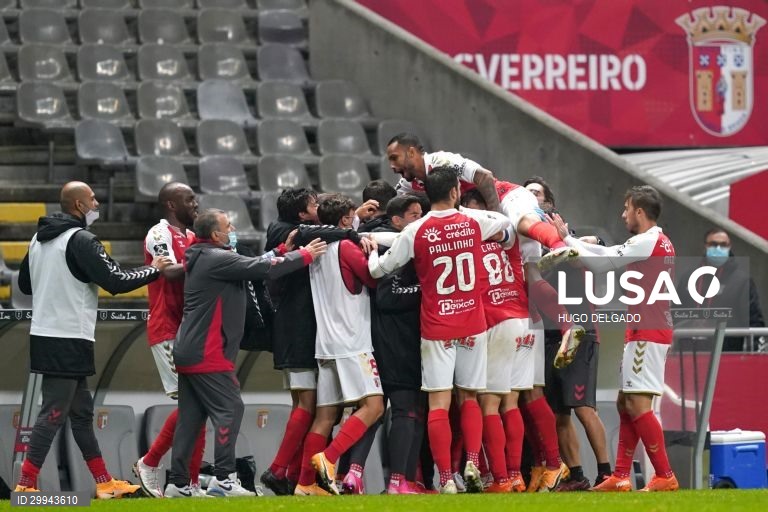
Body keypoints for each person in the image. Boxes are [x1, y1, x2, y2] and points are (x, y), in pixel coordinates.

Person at [15, 181, 171, 498]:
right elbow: (114, 280)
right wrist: (153, 269)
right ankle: (26, 484)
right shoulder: (81, 239)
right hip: (68, 336)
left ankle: (103, 483)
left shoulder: (37, 239)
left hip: (48, 334)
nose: (97, 203)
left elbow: (26, 285)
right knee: (54, 413)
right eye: (93, 199)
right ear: (79, 206)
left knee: (82, 413)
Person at [165, 209, 326, 498]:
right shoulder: (218, 258)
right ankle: (224, 479)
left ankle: (178, 483)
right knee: (231, 409)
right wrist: (305, 255)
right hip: (207, 351)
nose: (233, 229)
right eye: (229, 226)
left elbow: (251, 264)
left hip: (190, 348)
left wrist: (280, 249)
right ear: (215, 235)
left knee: (191, 417)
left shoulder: (203, 256)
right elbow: (265, 269)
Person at [369, 167, 511, 494]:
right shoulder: (475, 222)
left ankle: (446, 478)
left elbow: (380, 269)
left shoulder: (416, 230)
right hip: (472, 323)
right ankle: (473, 461)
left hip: (436, 326)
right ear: (455, 193)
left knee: (438, 403)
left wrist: (374, 245)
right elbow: (506, 229)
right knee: (471, 396)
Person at [551, 185, 680, 492]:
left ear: (639, 211)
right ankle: (621, 476)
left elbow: (600, 263)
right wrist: (570, 239)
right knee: (626, 402)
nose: (622, 215)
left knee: (638, 404)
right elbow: (606, 253)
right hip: (640, 330)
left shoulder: (649, 241)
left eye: (626, 209)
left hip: (648, 332)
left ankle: (665, 475)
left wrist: (566, 238)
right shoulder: (647, 241)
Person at [260, 188, 369, 495]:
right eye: (313, 204)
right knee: (308, 406)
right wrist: (353, 229)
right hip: (296, 330)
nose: (318, 208)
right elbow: (317, 230)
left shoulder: (297, 231)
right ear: (301, 213)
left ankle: (295, 475)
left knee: (318, 411)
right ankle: (279, 469)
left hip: (302, 330)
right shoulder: (286, 230)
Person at [522, 177, 612, 491]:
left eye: (537, 193)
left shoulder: (565, 237)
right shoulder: (527, 244)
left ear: (550, 203)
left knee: (584, 407)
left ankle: (606, 474)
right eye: (527, 193)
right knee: (557, 412)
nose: (532, 198)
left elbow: (599, 247)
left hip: (580, 330)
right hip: (545, 335)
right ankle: (577, 476)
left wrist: (571, 239)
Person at [293, 195, 384, 496]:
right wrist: (371, 251)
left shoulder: (316, 247)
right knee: (374, 406)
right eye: (351, 217)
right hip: (352, 341)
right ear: (345, 220)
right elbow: (371, 278)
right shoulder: (346, 246)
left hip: (326, 344)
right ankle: (328, 460)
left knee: (325, 417)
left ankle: (306, 485)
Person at [386, 133, 579, 271]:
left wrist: (496, 218)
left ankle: (559, 247)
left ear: (411, 152)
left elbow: (485, 178)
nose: (391, 166)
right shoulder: (408, 184)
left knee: (523, 224)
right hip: (487, 217)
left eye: (394, 158)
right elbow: (390, 205)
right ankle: (568, 327)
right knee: (530, 277)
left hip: (506, 197)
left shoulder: (441, 161)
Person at [338, 195, 426, 495]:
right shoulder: (391, 248)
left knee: (375, 411)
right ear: (397, 220)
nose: (421, 219)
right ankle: (398, 481)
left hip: (383, 339)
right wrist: (425, 290)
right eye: (414, 215)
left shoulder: (390, 241)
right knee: (404, 409)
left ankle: (353, 474)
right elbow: (389, 296)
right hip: (395, 341)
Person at [133, 183, 207, 498]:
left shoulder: (191, 238)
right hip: (168, 329)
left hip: (189, 330)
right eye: (189, 199)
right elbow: (170, 273)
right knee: (196, 404)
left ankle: (187, 483)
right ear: (172, 205)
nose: (196, 203)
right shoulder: (159, 234)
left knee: (200, 406)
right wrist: (210, 262)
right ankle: (150, 463)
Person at [459, 190, 530, 494]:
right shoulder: (509, 238)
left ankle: (500, 478)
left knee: (489, 403)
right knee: (511, 401)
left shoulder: (467, 245)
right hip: (523, 319)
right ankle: (515, 475)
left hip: (496, 320)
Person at [677, 228, 765, 352]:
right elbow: (674, 313)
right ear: (705, 247)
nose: (718, 249)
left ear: (729, 247)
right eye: (713, 244)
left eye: (723, 245)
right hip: (688, 353)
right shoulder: (688, 278)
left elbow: (754, 322)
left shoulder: (742, 281)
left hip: (726, 355)